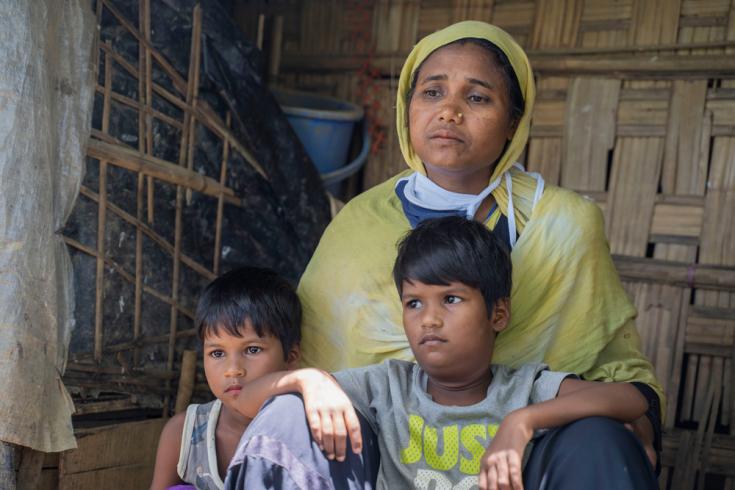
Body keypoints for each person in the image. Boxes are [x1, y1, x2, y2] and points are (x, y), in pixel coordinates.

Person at [296, 21, 663, 467]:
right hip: (383, 448)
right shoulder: (359, 224)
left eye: (476, 97)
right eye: (432, 92)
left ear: (513, 121)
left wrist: (631, 429)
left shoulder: (564, 225)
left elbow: (615, 369)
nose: (449, 111)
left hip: (530, 448)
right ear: (406, 107)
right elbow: (312, 356)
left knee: (600, 436)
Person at [224, 216, 658, 489]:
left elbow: (632, 398)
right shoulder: (385, 386)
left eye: (450, 300)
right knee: (284, 412)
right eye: (414, 303)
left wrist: (522, 421)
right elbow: (244, 399)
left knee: (600, 435)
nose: (428, 319)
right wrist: (306, 379)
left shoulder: (525, 388)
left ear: (498, 313)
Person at [150, 267, 302, 490]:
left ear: (290, 357)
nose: (233, 370)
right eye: (217, 353)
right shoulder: (183, 433)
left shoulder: (302, 431)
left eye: (252, 350)